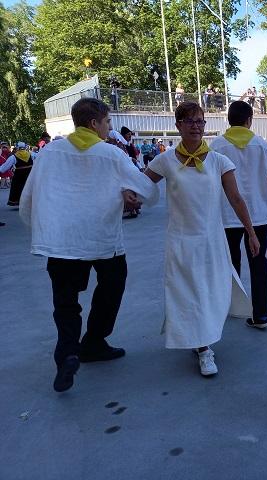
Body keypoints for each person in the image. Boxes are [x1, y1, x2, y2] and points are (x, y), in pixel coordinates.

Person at [18, 98, 159, 392]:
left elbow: (28, 198)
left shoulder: (49, 153)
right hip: (102, 238)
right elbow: (147, 189)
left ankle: (68, 353)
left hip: (61, 241)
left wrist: (43, 231)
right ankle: (94, 341)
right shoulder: (111, 154)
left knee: (65, 301)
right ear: (94, 123)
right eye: (107, 122)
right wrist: (130, 193)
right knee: (112, 285)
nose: (109, 128)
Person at [145, 101, 256, 377]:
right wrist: (126, 193)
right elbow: (142, 185)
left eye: (200, 121)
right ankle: (204, 349)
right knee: (188, 292)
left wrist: (251, 232)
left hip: (211, 241)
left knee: (209, 292)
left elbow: (236, 198)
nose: (196, 126)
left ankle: (198, 337)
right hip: (180, 241)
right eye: (189, 121)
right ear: (178, 125)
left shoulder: (219, 161)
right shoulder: (165, 160)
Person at [211, 100, 267, 329]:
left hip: (227, 214)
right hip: (258, 214)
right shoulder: (262, 145)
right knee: (258, 263)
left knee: (229, 263)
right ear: (249, 120)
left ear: (229, 120)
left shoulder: (216, 146)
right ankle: (261, 315)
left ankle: (231, 306)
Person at [5, 142, 34, 207]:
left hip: (19, 175)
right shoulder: (31, 154)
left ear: (17, 148)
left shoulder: (14, 156)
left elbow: (5, 167)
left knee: (18, 188)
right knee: (28, 187)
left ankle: (18, 202)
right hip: (29, 174)